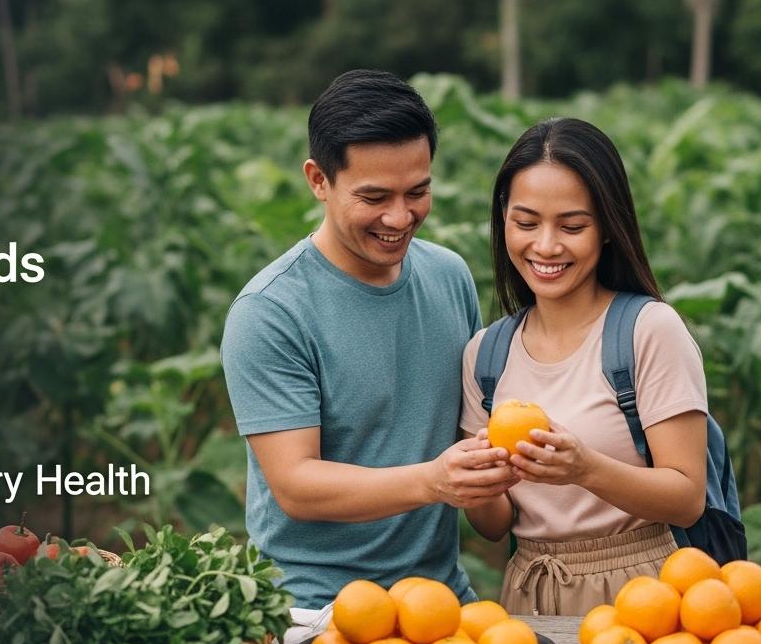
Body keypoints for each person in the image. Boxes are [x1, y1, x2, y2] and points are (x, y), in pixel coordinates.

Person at [221, 70, 515, 610]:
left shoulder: (449, 276)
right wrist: (433, 481)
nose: (400, 217)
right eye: (374, 196)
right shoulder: (270, 311)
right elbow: (297, 485)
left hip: (439, 600)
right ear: (318, 180)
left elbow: (475, 433)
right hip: (316, 609)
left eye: (418, 192)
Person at [459, 117, 708, 616]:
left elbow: (686, 498)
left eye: (572, 226)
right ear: (503, 217)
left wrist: (583, 468)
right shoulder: (485, 354)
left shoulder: (648, 331)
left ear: (609, 229)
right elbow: (494, 526)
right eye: (526, 223)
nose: (546, 246)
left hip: (643, 593)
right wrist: (481, 481)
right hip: (530, 593)